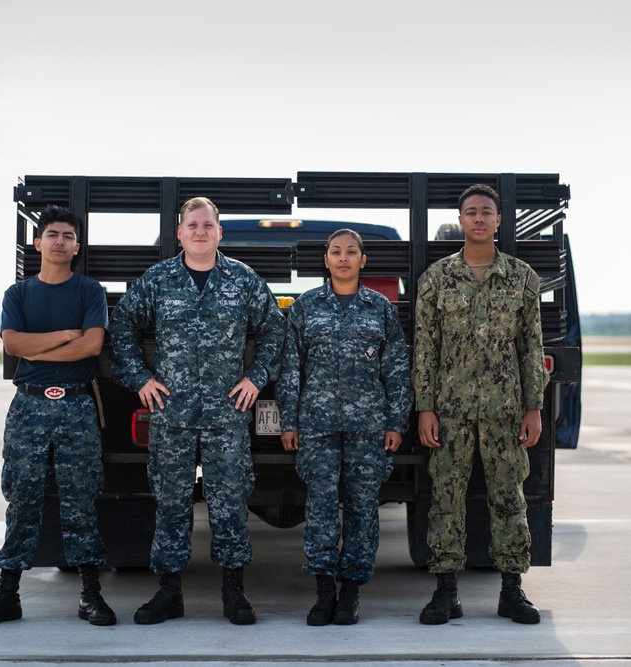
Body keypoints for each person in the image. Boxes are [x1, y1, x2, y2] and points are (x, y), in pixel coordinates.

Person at [109, 196, 285, 626]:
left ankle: (234, 594)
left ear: (219, 232)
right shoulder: (159, 280)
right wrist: (139, 379)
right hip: (173, 414)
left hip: (226, 415)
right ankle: (169, 593)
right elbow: (121, 328)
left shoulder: (243, 280)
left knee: (229, 503)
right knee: (171, 504)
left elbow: (275, 331)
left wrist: (257, 377)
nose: (201, 231)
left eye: (208, 225)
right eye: (193, 225)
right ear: (180, 233)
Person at [0, 205, 115, 627]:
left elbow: (90, 347)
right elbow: (13, 345)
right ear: (38, 243)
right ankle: (7, 595)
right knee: (22, 499)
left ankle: (90, 595)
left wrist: (40, 346)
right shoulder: (18, 294)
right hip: (29, 405)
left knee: (81, 499)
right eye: (52, 234)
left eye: (68, 236)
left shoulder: (89, 291)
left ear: (76, 247)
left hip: (75, 403)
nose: (59, 241)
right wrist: (64, 335)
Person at [412, 184, 549, 626]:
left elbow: (531, 346)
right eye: (470, 212)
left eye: (486, 212)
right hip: (449, 410)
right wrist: (425, 407)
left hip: (505, 410)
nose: (478, 219)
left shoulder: (522, 277)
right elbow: (425, 348)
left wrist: (534, 406)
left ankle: (512, 590)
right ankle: (446, 592)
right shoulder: (436, 278)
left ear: (498, 221)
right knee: (446, 499)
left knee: (509, 497)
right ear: (461, 220)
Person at [277, 229, 412, 626]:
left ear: (362, 260)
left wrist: (396, 422)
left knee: (362, 508)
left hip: (368, 426)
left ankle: (350, 592)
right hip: (317, 425)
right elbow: (291, 369)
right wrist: (289, 420)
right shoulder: (305, 307)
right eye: (336, 252)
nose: (343, 258)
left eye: (351, 252)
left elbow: (397, 370)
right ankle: (322, 593)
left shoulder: (381, 309)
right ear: (326, 259)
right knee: (320, 507)